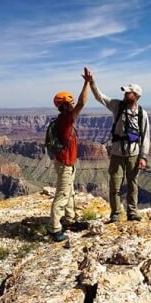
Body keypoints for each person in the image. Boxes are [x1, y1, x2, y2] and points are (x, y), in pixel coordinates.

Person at [89, 72, 151, 222]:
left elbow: (146, 136)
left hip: (134, 154)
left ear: (135, 95)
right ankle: (115, 213)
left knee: (132, 185)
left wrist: (143, 157)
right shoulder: (117, 106)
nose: (124, 94)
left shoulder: (142, 114)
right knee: (115, 185)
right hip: (117, 153)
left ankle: (132, 212)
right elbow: (100, 97)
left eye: (128, 92)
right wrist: (92, 82)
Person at [47, 67, 92, 242]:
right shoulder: (66, 120)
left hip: (67, 162)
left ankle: (70, 220)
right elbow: (82, 103)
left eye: (72, 103)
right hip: (65, 163)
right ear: (64, 106)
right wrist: (87, 83)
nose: (73, 105)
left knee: (70, 192)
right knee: (62, 194)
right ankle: (54, 228)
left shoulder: (62, 120)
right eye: (70, 103)